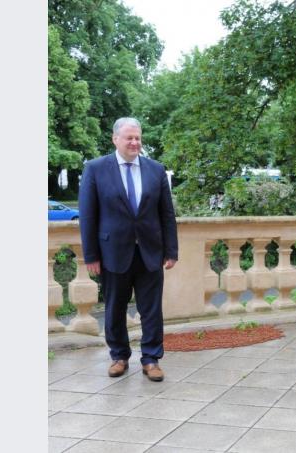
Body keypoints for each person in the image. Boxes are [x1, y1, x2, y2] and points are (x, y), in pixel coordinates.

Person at [79, 117, 178, 382]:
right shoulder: (95, 169)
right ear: (115, 139)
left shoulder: (155, 169)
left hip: (150, 252)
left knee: (151, 310)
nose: (135, 143)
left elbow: (167, 214)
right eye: (129, 138)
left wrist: (171, 251)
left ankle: (151, 359)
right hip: (112, 252)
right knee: (114, 308)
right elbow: (88, 216)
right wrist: (91, 255)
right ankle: (119, 356)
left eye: (138, 138)